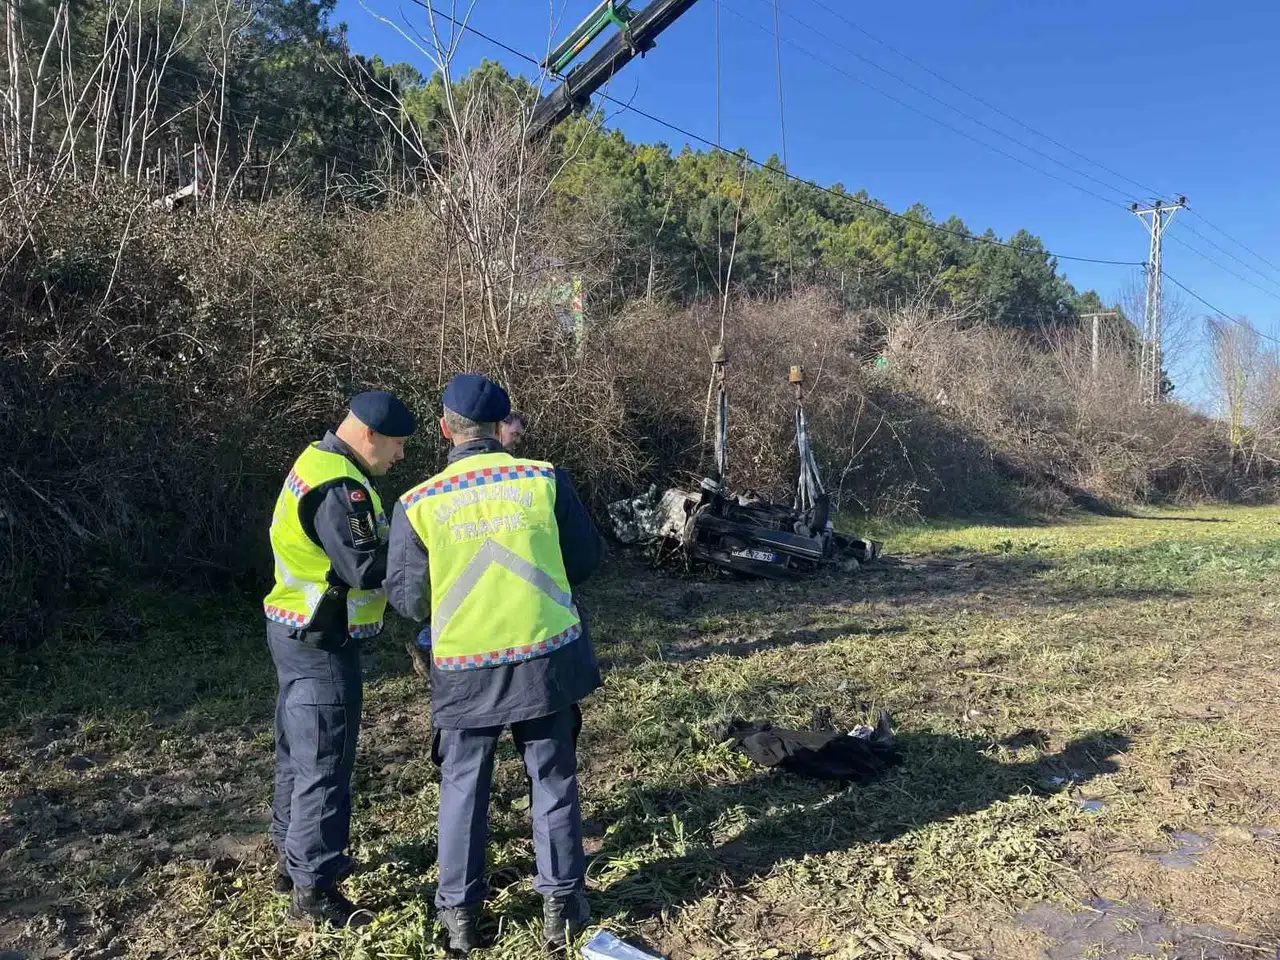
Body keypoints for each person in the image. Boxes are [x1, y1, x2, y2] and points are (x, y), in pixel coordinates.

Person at [385, 374, 603, 954]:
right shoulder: (543, 479)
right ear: (501, 425)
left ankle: (460, 917)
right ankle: (562, 907)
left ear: (444, 429)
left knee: (463, 789)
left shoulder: (418, 504)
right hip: (545, 660)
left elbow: (406, 599)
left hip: (464, 671)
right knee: (551, 779)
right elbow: (586, 559)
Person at [263, 390, 416, 928]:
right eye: (397, 444)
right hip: (323, 640)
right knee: (325, 763)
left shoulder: (316, 459)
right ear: (370, 434)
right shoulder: (340, 486)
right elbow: (364, 568)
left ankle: (289, 860)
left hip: (293, 628)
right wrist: (416, 542)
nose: (400, 455)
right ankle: (315, 890)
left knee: (297, 752)